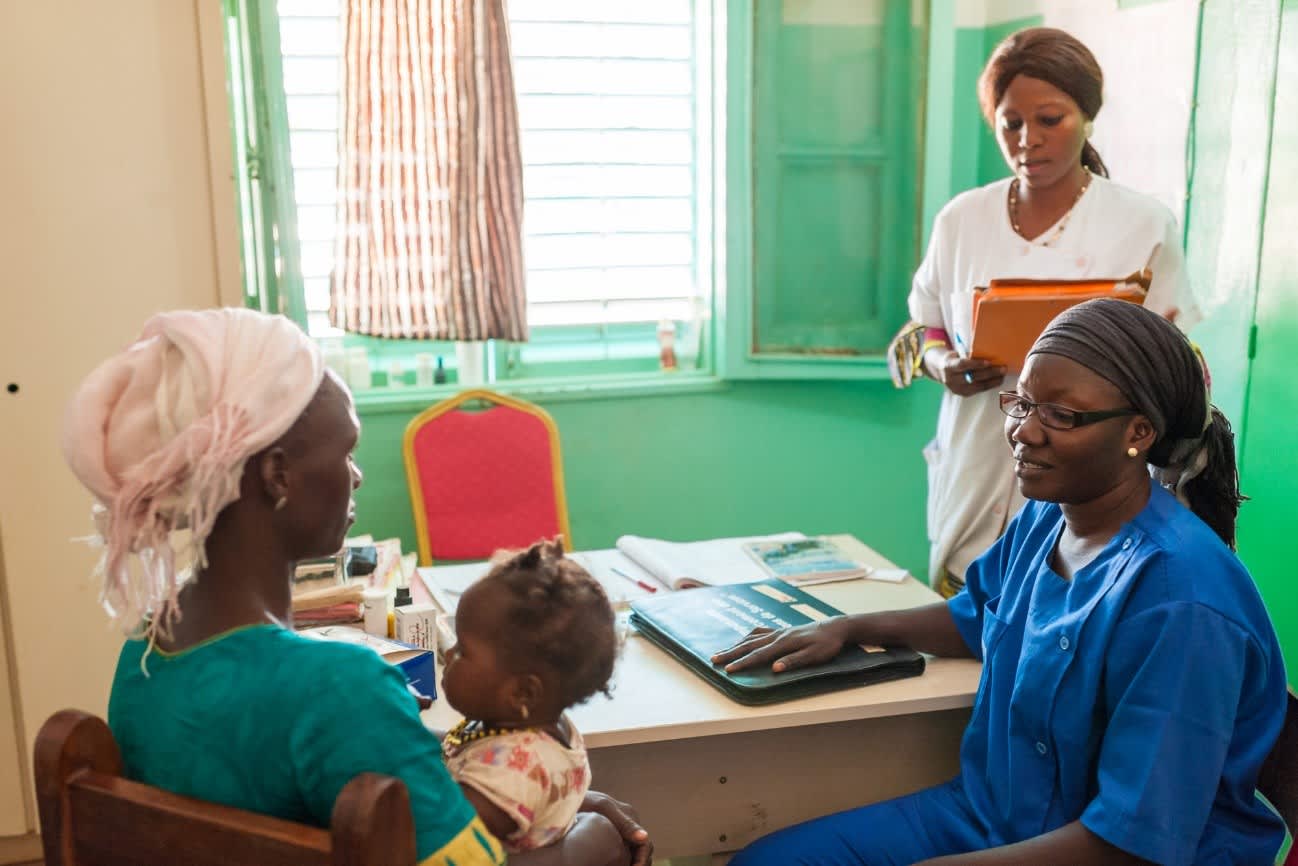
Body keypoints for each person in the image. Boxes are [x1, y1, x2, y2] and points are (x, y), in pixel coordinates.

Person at [60, 308, 653, 866]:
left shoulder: (145, 651)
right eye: (346, 451)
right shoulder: (340, 690)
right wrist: (592, 837)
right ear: (278, 475)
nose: (357, 474)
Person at [717, 299, 1287, 865]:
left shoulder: (1180, 600)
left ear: (1138, 432)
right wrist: (850, 628)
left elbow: (1133, 845)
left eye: (1061, 416)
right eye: (1021, 403)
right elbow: (978, 614)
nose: (1023, 432)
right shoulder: (1050, 515)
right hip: (991, 817)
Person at [896, 27, 1200, 597]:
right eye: (1011, 123)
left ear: (1087, 116)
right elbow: (922, 327)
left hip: (1093, 477)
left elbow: (1175, 357)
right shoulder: (962, 220)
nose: (1027, 140)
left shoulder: (1142, 224)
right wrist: (943, 365)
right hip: (979, 456)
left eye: (1050, 120)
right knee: (970, 615)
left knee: (1068, 624)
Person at [441, 538, 618, 854]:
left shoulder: (509, 774)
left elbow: (440, 835)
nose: (448, 652)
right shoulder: (544, 727)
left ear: (522, 693)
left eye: (463, 650)